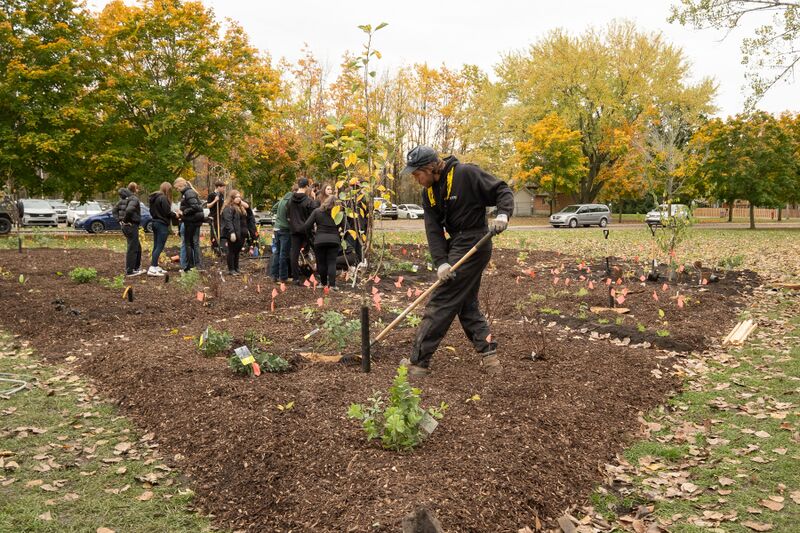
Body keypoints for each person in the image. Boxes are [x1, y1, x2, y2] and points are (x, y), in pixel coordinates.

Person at [402, 145, 513, 377]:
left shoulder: (466, 174)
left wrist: (503, 214)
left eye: (417, 174)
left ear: (431, 167)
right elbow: (433, 230)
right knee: (465, 303)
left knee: (442, 300)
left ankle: (419, 362)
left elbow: (502, 190)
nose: (416, 179)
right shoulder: (428, 193)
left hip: (476, 241)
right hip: (456, 244)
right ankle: (489, 356)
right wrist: (441, 262)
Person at [301, 189, 344, 290]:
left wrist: (311, 237)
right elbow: (347, 229)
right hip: (334, 240)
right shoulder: (339, 214)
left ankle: (323, 283)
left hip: (319, 240)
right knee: (332, 262)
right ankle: (332, 285)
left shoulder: (317, 212)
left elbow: (306, 226)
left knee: (321, 262)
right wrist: (340, 238)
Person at [287, 177, 317, 285]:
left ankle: (295, 278)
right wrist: (314, 198)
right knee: (317, 250)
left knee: (294, 254)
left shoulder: (290, 201)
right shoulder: (309, 201)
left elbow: (288, 215)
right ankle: (319, 275)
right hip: (306, 230)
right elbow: (315, 213)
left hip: (294, 230)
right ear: (306, 187)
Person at [174, 178, 205, 272]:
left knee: (189, 243)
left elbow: (195, 207)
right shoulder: (188, 193)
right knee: (193, 243)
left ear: (180, 185)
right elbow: (197, 206)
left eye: (177, 188)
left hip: (191, 221)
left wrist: (183, 212)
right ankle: (196, 265)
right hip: (193, 220)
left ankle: (190, 266)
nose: (177, 190)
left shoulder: (188, 193)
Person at [113, 182, 144, 276]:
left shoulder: (122, 200)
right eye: (137, 188)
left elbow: (114, 210)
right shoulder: (133, 199)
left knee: (137, 246)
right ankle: (130, 270)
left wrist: (119, 220)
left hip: (126, 227)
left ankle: (136, 267)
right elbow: (129, 210)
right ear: (134, 189)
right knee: (132, 248)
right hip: (130, 226)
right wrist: (125, 220)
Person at [147, 182, 176, 276]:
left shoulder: (154, 198)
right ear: (168, 189)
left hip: (155, 222)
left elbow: (151, 211)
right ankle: (152, 268)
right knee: (160, 246)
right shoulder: (163, 198)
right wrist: (176, 214)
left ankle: (155, 266)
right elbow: (167, 212)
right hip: (162, 224)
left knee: (156, 245)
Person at [221, 189, 248, 275]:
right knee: (232, 251)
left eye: (239, 197)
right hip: (234, 233)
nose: (238, 199)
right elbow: (228, 221)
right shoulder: (228, 208)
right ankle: (231, 269)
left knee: (237, 251)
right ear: (232, 198)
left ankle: (236, 268)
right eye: (236, 197)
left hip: (241, 233)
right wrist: (232, 232)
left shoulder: (240, 207)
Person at [270, 188, 294, 283]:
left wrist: (279, 217)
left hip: (277, 228)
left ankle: (274, 275)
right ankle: (283, 277)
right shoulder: (290, 202)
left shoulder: (282, 200)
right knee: (283, 254)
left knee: (277, 252)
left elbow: (273, 208)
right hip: (285, 229)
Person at [206, 181, 226, 255]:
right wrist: (215, 200)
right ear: (218, 187)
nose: (224, 189)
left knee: (220, 232)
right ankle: (214, 247)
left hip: (220, 216)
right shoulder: (211, 195)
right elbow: (208, 206)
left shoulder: (221, 195)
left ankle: (220, 247)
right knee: (214, 232)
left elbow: (222, 206)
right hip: (213, 217)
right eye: (223, 188)